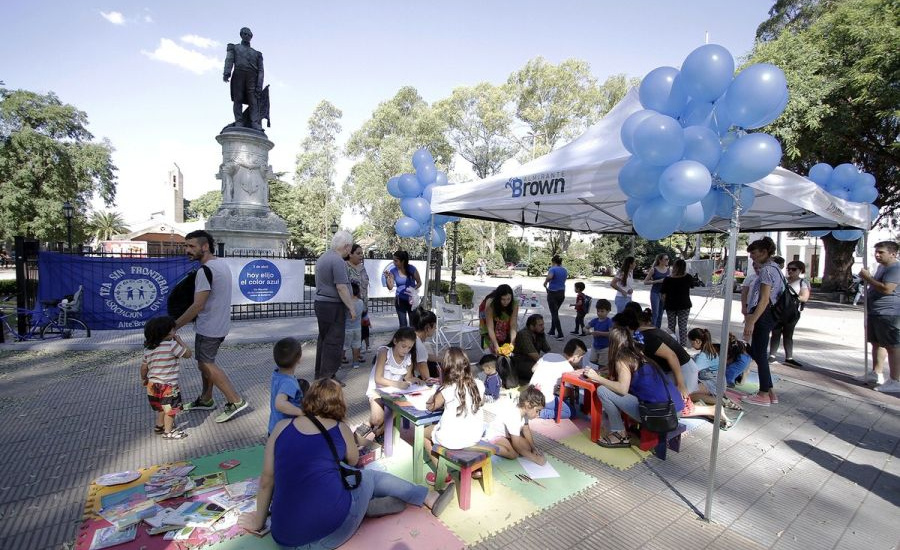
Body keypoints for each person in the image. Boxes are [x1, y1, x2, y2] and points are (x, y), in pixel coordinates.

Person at [239, 379, 454, 548]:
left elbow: (267, 480)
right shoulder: (339, 428)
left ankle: (367, 508)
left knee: (334, 478)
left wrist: (258, 523)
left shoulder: (281, 427)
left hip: (284, 538)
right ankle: (428, 497)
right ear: (339, 403)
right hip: (331, 533)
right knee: (369, 476)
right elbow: (353, 461)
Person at [176, 230, 248, 423]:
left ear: (205, 246)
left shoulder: (205, 270)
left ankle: (235, 401)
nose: (187, 250)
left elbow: (197, 305)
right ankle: (206, 399)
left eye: (191, 246)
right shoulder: (221, 264)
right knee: (204, 362)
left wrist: (174, 326)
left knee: (205, 363)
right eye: (186, 246)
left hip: (210, 326)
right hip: (219, 324)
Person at [584, 327, 687, 447]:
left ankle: (619, 434)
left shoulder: (622, 359)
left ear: (612, 344)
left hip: (661, 414)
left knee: (603, 390)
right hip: (676, 409)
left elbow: (622, 389)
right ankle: (625, 429)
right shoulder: (639, 354)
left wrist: (597, 378)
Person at [423, 348, 486, 483]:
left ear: (446, 368)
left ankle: (442, 473)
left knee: (423, 434)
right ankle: (473, 468)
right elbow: (481, 402)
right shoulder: (479, 384)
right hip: (474, 436)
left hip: (451, 439)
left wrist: (435, 392)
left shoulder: (448, 388)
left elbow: (431, 406)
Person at [742, 236, 784, 406]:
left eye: (754, 253)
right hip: (768, 314)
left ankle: (764, 393)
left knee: (758, 353)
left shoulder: (767, 270)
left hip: (762, 314)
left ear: (764, 252)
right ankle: (769, 390)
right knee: (757, 352)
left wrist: (751, 321)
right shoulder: (775, 268)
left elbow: (764, 299)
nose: (752, 256)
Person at [360, 328, 419, 437]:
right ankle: (369, 424)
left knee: (404, 406)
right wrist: (398, 384)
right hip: (377, 391)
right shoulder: (384, 352)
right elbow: (378, 379)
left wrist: (416, 380)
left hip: (394, 394)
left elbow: (408, 377)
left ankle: (379, 433)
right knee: (377, 419)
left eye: (409, 347)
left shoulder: (408, 357)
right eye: (403, 346)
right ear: (395, 341)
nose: (406, 350)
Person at [315, 230, 357, 382]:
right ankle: (328, 377)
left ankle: (320, 373)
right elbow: (341, 287)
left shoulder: (324, 257)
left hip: (322, 304)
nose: (349, 251)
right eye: (350, 248)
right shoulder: (338, 261)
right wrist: (352, 308)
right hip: (333, 306)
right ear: (346, 246)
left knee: (324, 340)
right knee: (334, 341)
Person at [141, 316, 191, 440]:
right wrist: (180, 341)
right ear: (168, 333)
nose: (175, 332)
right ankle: (169, 432)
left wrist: (144, 379)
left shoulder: (148, 349)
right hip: (168, 387)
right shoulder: (172, 345)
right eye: (174, 330)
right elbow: (188, 354)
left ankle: (159, 426)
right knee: (171, 410)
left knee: (161, 407)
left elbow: (143, 367)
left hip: (152, 386)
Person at [859, 241, 900, 392]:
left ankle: (895, 380)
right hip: (876, 311)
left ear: (893, 254)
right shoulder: (883, 267)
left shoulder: (895, 268)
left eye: (881, 252)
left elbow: (887, 289)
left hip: (889, 312)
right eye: (876, 252)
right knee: (876, 342)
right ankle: (877, 372)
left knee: (892, 346)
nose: (877, 255)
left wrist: (868, 278)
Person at [636, 308, 700, 405]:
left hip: (684, 371)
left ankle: (712, 410)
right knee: (670, 404)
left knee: (675, 407)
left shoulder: (648, 336)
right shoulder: (649, 331)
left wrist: (680, 384)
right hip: (678, 371)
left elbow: (672, 356)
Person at [484, 385, 546, 465]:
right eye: (537, 411)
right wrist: (536, 459)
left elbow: (526, 429)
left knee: (527, 448)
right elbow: (517, 445)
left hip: (506, 435)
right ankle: (488, 447)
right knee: (513, 454)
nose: (538, 414)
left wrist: (534, 448)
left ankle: (507, 443)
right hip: (494, 434)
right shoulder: (514, 416)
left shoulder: (525, 411)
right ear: (528, 405)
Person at [530, 339, 588, 420]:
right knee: (571, 412)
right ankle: (539, 412)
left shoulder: (548, 355)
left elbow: (533, 369)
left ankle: (536, 407)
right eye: (581, 358)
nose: (580, 361)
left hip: (530, 392)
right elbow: (565, 394)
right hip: (543, 398)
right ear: (575, 357)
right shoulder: (568, 369)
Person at [769, 260, 812, 366]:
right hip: (778, 311)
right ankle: (772, 356)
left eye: (794, 269)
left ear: (800, 270)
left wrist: (793, 297)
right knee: (775, 333)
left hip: (792, 313)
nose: (790, 271)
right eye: (788, 269)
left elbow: (805, 297)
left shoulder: (803, 282)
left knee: (788, 334)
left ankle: (789, 357)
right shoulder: (783, 280)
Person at [223, 27, 264, 130]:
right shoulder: (235, 48)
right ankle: (239, 121)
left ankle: (254, 122)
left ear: (251, 37)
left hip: (252, 77)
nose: (247, 36)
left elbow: (261, 70)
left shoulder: (257, 53)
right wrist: (227, 72)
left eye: (249, 35)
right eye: (245, 34)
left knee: (253, 100)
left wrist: (259, 85)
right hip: (238, 73)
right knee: (238, 99)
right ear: (241, 35)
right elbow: (229, 59)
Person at [268, 337, 304, 435]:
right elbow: (280, 404)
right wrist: (302, 412)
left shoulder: (276, 373)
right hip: (284, 432)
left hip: (274, 428)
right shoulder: (288, 383)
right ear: (299, 359)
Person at [660, 258, 693, 346]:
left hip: (670, 305)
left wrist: (665, 302)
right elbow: (692, 285)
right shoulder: (688, 277)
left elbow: (663, 294)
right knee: (682, 326)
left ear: (675, 267)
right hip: (684, 305)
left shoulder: (667, 279)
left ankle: (671, 345)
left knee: (671, 326)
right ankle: (683, 345)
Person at [384, 250, 421, 328]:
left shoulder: (412, 269)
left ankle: (413, 339)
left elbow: (419, 282)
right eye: (393, 260)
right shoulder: (393, 271)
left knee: (413, 325)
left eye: (396, 261)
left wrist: (413, 290)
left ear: (402, 261)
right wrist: (387, 278)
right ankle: (404, 339)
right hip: (400, 300)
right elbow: (390, 287)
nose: (394, 262)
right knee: (403, 325)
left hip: (412, 300)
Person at [478, 284, 519, 353]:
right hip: (489, 322)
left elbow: (513, 324)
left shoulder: (514, 303)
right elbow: (490, 327)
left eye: (508, 299)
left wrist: (512, 343)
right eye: (503, 299)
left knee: (509, 348)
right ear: (498, 298)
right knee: (491, 350)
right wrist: (496, 345)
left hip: (503, 324)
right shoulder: (490, 303)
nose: (506, 302)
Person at [345, 244, 371, 352]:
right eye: (358, 253)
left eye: (362, 253)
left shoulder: (362, 267)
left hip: (363, 303)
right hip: (350, 303)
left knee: (362, 327)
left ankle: (358, 352)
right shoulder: (345, 267)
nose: (361, 256)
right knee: (349, 329)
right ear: (350, 254)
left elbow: (365, 282)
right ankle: (344, 353)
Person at [511, 314, 551, 384]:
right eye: (540, 325)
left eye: (543, 324)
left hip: (533, 362)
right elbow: (534, 355)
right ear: (532, 326)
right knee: (545, 372)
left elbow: (547, 350)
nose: (543, 327)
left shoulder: (539, 333)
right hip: (521, 363)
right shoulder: (524, 335)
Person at [543, 255, 568, 340]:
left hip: (553, 293)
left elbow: (550, 277)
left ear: (553, 262)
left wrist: (545, 282)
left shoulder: (553, 269)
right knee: (555, 312)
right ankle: (552, 331)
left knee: (554, 313)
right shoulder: (564, 270)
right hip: (562, 293)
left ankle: (560, 334)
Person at [342, 283, 366, 369]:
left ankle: (340, 363)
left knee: (344, 346)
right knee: (356, 345)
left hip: (347, 328)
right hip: (357, 328)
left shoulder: (346, 303)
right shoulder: (360, 302)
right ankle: (355, 363)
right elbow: (362, 312)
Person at [643, 254, 671, 328]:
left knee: (660, 313)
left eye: (668, 259)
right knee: (655, 313)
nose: (668, 260)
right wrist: (658, 281)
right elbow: (645, 282)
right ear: (660, 260)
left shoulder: (668, 270)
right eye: (666, 259)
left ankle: (658, 330)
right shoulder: (654, 269)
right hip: (655, 292)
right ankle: (652, 329)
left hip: (664, 294)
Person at [413, 310, 440, 379]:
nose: (435, 328)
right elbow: (426, 378)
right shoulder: (420, 346)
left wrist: (444, 359)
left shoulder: (412, 336)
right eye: (434, 326)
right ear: (427, 328)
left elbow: (425, 356)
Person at [587, 299, 613, 366]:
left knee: (602, 365)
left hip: (605, 348)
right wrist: (588, 331)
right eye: (598, 311)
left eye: (602, 311)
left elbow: (611, 334)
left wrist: (599, 333)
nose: (599, 313)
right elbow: (585, 327)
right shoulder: (595, 320)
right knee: (592, 362)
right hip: (595, 346)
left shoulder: (609, 322)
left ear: (608, 311)